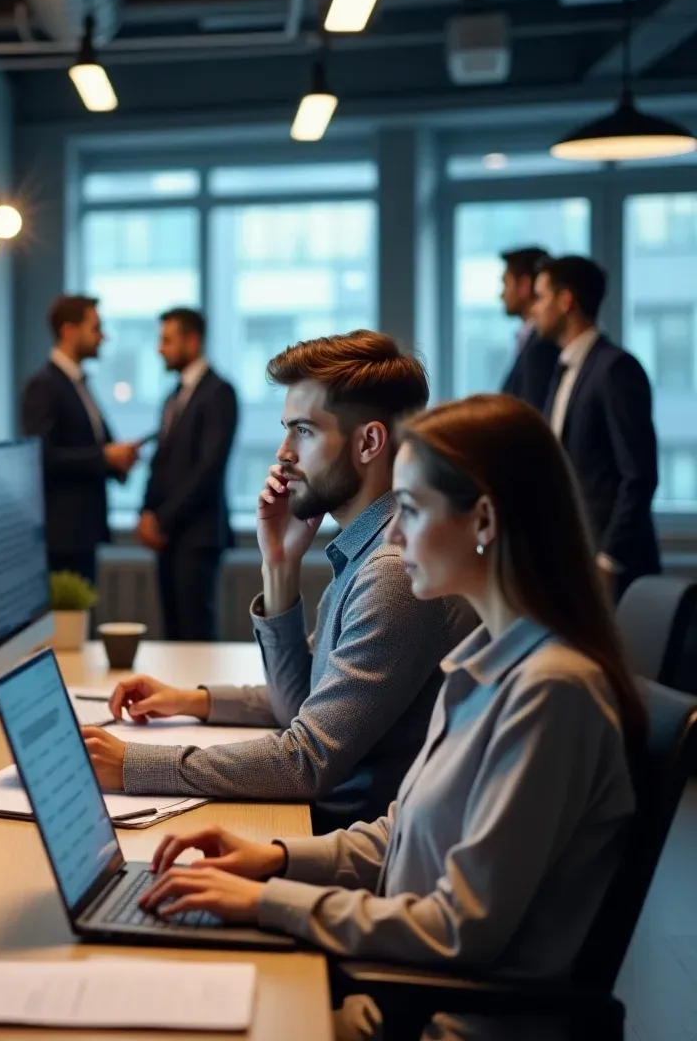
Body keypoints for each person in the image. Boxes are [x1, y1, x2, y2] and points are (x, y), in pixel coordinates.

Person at [136, 394, 644, 1041]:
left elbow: (458, 928)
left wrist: (271, 903)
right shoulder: (483, 661)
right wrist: (272, 857)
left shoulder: (551, 693)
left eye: (409, 509)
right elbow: (403, 837)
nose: (394, 535)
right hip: (397, 997)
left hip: (438, 1023)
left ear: (483, 519)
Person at [82, 331, 476, 833]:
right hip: (325, 825)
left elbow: (305, 760)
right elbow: (306, 700)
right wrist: (279, 565)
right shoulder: (365, 548)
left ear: (369, 442)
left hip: (352, 841)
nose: (284, 453)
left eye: (304, 432)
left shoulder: (392, 571)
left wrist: (135, 764)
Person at [533, 256, 661, 600]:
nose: (535, 309)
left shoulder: (616, 369)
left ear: (566, 301)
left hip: (614, 572)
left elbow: (639, 475)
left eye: (541, 296)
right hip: (573, 560)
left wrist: (608, 560)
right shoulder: (563, 370)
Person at [21, 294, 141, 586]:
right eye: (96, 328)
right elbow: (42, 456)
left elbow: (90, 447)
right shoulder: (44, 385)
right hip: (62, 536)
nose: (103, 337)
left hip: (81, 532)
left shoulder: (78, 383)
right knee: (68, 626)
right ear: (68, 330)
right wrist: (105, 458)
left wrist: (117, 461)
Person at [138, 308, 238, 642]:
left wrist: (161, 521)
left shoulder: (219, 393)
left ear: (192, 341)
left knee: (194, 636)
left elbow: (208, 471)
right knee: (172, 634)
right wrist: (146, 513)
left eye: (167, 340)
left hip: (198, 536)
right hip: (168, 537)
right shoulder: (172, 396)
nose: (159, 348)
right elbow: (161, 463)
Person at [497, 245, 559, 411]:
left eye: (505, 283)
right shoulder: (530, 339)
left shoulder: (542, 345)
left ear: (524, 285)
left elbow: (530, 411)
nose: (501, 295)